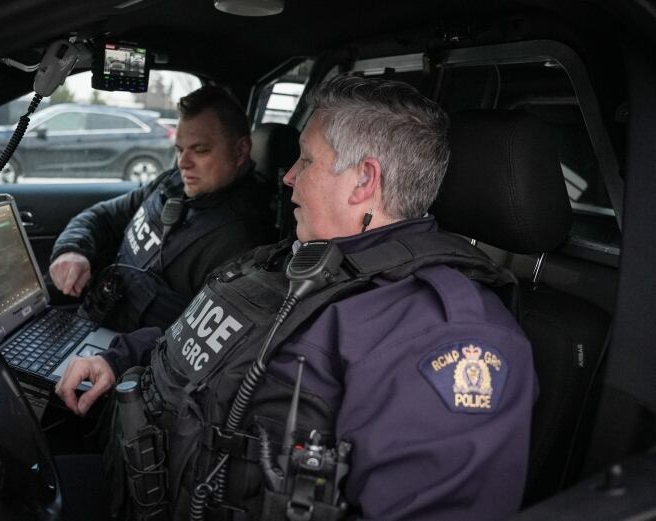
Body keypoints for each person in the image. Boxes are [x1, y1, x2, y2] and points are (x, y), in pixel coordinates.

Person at [56, 76, 536, 520]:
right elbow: (219, 341)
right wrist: (120, 358)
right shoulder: (297, 260)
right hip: (140, 482)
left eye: (306, 160)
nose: (287, 177)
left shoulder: (444, 334)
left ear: (364, 180)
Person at [48, 85, 275, 333]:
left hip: (128, 360)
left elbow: (195, 346)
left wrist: (115, 359)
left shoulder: (243, 241)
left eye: (200, 150)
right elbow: (102, 215)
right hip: (94, 323)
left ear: (241, 151)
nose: (183, 163)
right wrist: (72, 250)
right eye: (179, 150)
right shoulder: (173, 183)